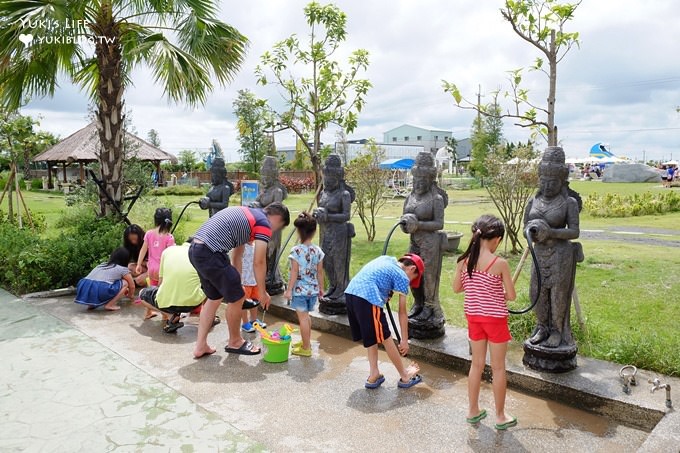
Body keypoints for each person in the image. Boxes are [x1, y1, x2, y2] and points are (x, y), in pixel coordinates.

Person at [189, 202, 290, 358]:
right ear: (277, 218)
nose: (275, 231)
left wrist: (238, 286)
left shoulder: (247, 216)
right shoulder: (263, 222)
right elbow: (259, 262)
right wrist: (262, 293)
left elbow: (237, 256)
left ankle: (200, 346)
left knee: (215, 297)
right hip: (211, 253)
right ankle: (235, 341)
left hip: (196, 250)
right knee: (237, 299)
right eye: (279, 227)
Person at [452, 215, 517, 430]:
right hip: (495, 321)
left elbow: (457, 288)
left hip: (474, 319)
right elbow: (511, 295)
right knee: (498, 368)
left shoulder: (464, 261)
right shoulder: (500, 264)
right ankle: (500, 416)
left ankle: (473, 410)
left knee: (476, 365)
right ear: (496, 239)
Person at [344, 253, 424, 389]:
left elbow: (377, 278)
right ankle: (405, 376)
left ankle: (374, 373)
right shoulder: (403, 276)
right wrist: (404, 340)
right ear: (411, 269)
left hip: (351, 293)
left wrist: (385, 293)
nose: (409, 282)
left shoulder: (386, 259)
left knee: (372, 336)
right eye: (413, 279)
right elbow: (402, 312)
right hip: (368, 298)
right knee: (385, 336)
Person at [136, 239, 220, 334]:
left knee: (142, 294)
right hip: (194, 303)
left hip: (166, 303)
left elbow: (160, 283)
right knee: (209, 285)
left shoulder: (168, 251)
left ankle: (170, 315)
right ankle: (209, 317)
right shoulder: (203, 256)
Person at [283, 212, 325, 357]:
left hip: (300, 292)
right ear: (314, 232)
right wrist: (321, 289)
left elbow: (294, 272)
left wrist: (288, 290)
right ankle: (305, 342)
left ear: (299, 232)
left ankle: (306, 348)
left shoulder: (296, 251)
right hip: (312, 291)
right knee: (306, 318)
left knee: (303, 319)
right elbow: (320, 272)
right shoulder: (317, 251)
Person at [136, 208, 175, 320]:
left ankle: (148, 312)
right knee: (161, 293)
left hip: (151, 269)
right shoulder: (169, 237)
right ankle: (165, 314)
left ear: (156, 220)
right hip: (162, 271)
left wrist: (139, 264)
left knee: (151, 291)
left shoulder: (149, 233)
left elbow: (143, 250)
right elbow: (171, 256)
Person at [240, 241, 266, 333]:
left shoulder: (256, 245)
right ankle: (245, 323)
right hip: (244, 280)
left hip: (254, 280)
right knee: (243, 303)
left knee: (255, 301)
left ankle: (254, 320)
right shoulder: (241, 245)